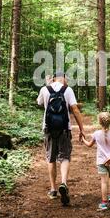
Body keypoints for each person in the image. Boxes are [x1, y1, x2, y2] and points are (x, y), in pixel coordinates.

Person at [37, 72, 85, 206]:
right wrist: (82, 129)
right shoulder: (67, 90)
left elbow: (39, 102)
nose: (67, 81)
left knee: (51, 158)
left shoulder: (45, 89)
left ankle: (53, 189)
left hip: (48, 129)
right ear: (62, 79)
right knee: (64, 157)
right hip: (64, 129)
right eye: (66, 79)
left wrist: (47, 87)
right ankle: (63, 183)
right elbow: (75, 109)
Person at [82, 112, 110, 211]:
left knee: (104, 182)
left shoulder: (96, 134)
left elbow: (89, 145)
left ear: (99, 122)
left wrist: (83, 139)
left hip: (101, 161)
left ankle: (104, 203)